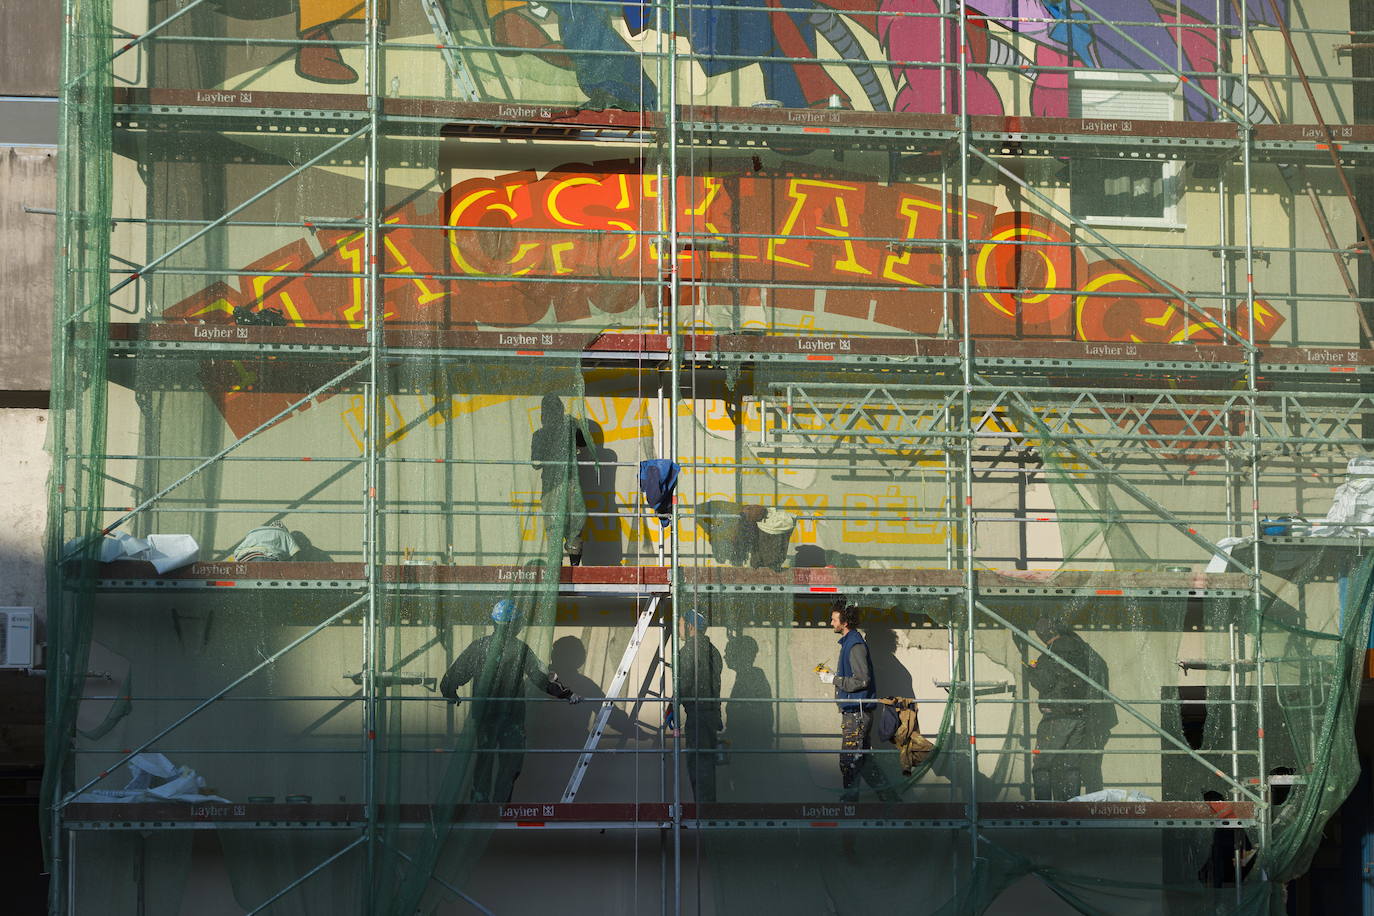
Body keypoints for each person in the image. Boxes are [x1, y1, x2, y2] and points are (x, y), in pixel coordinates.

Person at [439, 599, 582, 803]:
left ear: (494, 623)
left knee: (484, 761)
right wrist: (567, 694)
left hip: (486, 716)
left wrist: (449, 691)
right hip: (512, 718)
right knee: (510, 763)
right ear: (515, 625)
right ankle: (501, 804)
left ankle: (480, 804)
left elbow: (454, 675)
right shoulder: (520, 649)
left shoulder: (479, 647)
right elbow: (541, 678)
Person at [817, 600, 898, 802]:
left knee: (849, 760)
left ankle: (850, 804)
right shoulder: (850, 643)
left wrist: (833, 679)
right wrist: (835, 677)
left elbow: (862, 680)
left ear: (845, 622)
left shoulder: (855, 645)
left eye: (834, 619)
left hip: (857, 714)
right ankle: (890, 799)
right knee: (862, 761)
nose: (831, 622)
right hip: (856, 712)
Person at [1021, 618, 1094, 801]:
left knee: (1041, 764)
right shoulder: (1079, 648)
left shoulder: (1051, 652)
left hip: (1057, 715)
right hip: (1079, 714)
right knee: (1071, 766)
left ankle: (1044, 808)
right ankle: (1072, 807)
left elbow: (1045, 682)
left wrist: (1031, 670)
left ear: (1043, 635)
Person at [530, 394, 588, 566]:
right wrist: (551, 441)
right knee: (555, 530)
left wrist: (574, 425)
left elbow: (584, 441)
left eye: (555, 410)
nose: (551, 415)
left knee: (574, 528)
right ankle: (557, 571)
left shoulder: (569, 428)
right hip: (551, 488)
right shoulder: (539, 435)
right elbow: (536, 462)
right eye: (548, 411)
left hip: (570, 485)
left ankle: (574, 569)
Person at [674, 610, 723, 803]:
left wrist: (673, 704)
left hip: (698, 716)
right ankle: (708, 808)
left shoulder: (689, 650)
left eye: (680, 624)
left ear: (690, 626)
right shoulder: (713, 650)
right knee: (707, 766)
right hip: (711, 716)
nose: (678, 629)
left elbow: (684, 684)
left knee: (698, 766)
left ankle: (704, 811)